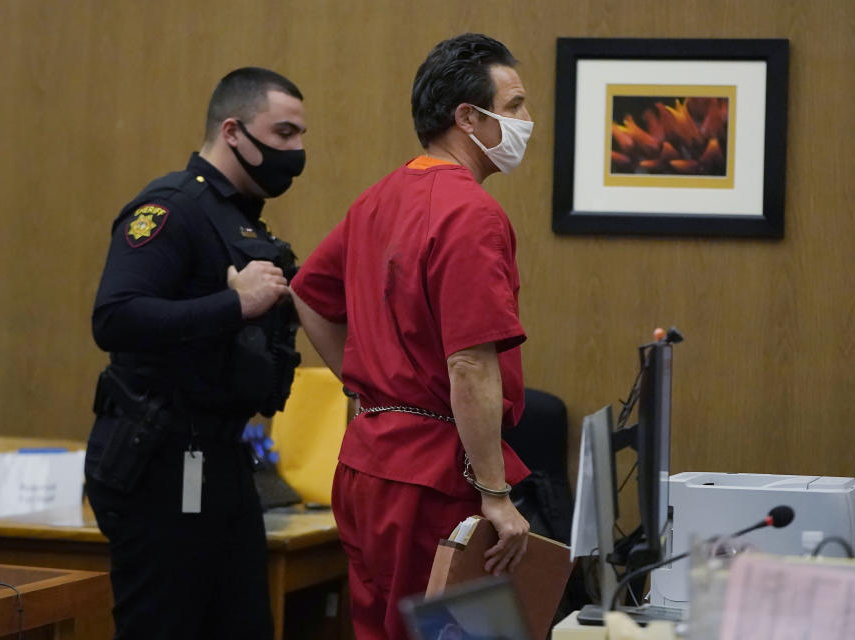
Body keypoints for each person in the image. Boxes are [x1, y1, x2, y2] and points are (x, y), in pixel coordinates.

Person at [290, 33, 534, 640]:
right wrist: (495, 494)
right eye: (515, 106)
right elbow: (471, 366)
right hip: (435, 477)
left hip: (366, 462)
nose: (527, 122)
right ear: (468, 118)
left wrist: (368, 383)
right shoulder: (470, 212)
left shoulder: (378, 199)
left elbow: (308, 294)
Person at [85, 67, 307, 640]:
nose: (297, 150)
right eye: (283, 133)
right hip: (157, 457)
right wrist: (233, 305)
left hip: (222, 458)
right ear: (232, 131)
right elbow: (114, 317)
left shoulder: (240, 220)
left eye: (301, 136)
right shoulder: (171, 208)